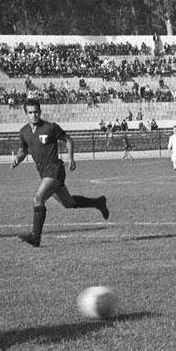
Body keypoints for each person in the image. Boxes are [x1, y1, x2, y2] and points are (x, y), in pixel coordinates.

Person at [11, 98, 109, 247]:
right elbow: (23, 150)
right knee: (68, 203)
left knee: (38, 199)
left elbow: (68, 140)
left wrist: (70, 158)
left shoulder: (50, 127)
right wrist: (18, 159)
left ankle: (35, 238)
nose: (34, 115)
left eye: (36, 112)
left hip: (55, 169)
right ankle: (98, 202)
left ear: (40, 112)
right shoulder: (23, 132)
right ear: (26, 114)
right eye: (30, 112)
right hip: (43, 171)